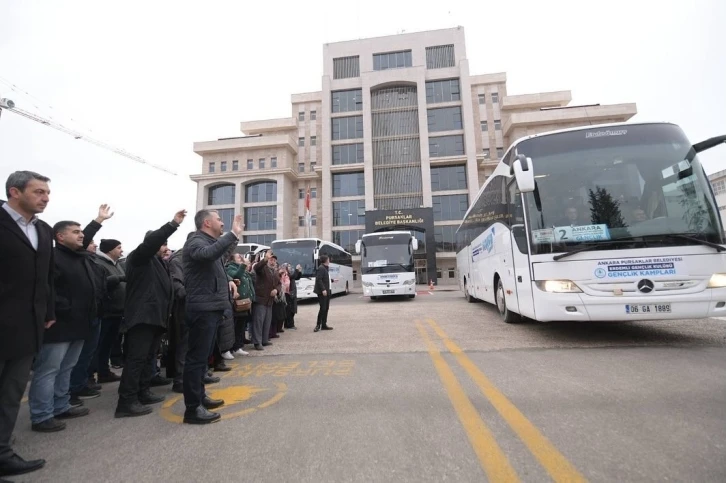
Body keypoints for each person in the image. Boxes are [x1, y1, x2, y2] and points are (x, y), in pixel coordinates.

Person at [0, 171, 52, 478]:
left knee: (10, 395)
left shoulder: (42, 230)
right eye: (38, 192)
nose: (45, 197)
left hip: (26, 328)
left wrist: (48, 310)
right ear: (14, 192)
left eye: (47, 193)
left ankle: (3, 453)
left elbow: (46, 277)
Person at [115, 210, 185, 418]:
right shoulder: (139, 258)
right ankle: (126, 402)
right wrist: (173, 224)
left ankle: (143, 392)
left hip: (156, 318)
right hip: (142, 318)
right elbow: (150, 244)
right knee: (136, 359)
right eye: (162, 244)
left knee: (148, 358)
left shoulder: (159, 263)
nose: (165, 248)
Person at [181, 209, 243, 425]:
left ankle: (200, 398)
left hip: (212, 308)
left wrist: (233, 240)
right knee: (196, 360)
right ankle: (192, 409)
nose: (222, 223)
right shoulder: (195, 241)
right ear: (207, 223)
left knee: (202, 361)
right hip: (202, 309)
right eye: (219, 219)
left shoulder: (207, 242)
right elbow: (207, 254)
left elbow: (220, 256)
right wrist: (232, 235)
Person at [92, 239, 126, 384]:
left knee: (108, 344)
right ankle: (90, 375)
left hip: (117, 311)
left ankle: (104, 372)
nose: (121, 250)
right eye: (118, 247)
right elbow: (101, 284)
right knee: (98, 345)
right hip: (106, 312)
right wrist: (118, 278)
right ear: (110, 250)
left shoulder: (116, 264)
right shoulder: (99, 263)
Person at [251, 250, 280, 351]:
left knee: (267, 321)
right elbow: (256, 267)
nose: (273, 261)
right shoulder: (262, 269)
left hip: (270, 300)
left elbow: (279, 284)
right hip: (261, 299)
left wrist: (276, 290)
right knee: (258, 322)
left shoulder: (275, 272)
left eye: (274, 260)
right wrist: (265, 258)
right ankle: (257, 342)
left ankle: (264, 340)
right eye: (271, 259)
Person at [313, 255, 334, 332]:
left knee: (326, 308)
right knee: (323, 308)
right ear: (325, 260)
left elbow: (325, 278)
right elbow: (319, 279)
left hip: (327, 291)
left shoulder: (325, 268)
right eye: (328, 259)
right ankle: (318, 325)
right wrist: (323, 289)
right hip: (323, 292)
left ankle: (324, 324)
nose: (329, 260)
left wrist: (332, 280)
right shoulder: (321, 268)